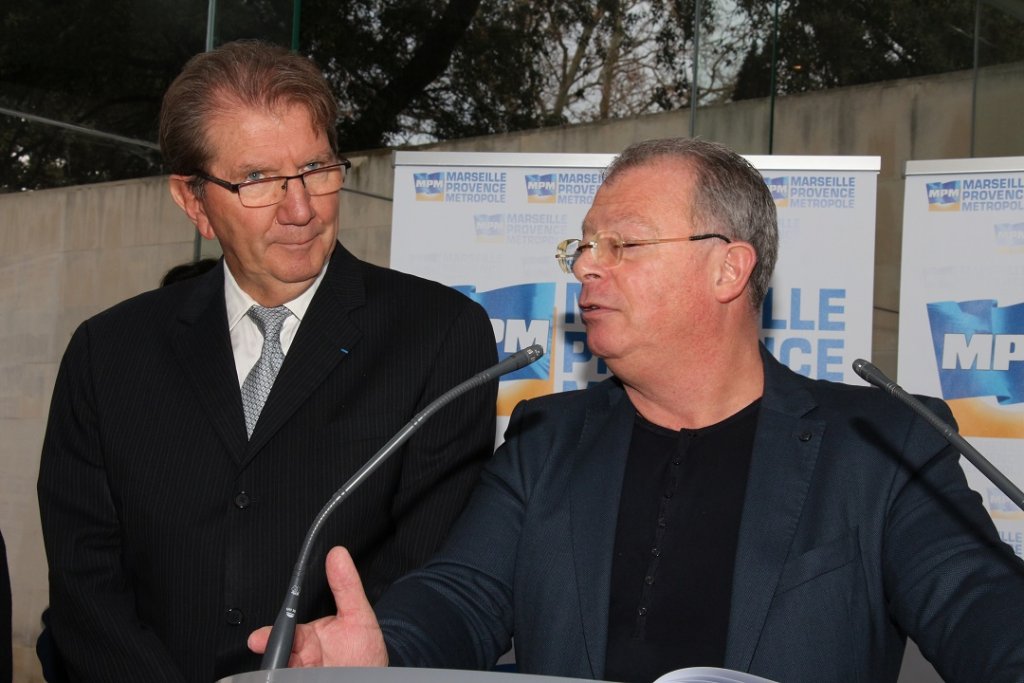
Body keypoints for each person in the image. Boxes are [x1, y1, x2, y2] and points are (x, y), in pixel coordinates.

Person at [249, 137, 1024, 682]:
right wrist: (384, 648)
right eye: (583, 247)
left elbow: (980, 608)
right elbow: (465, 595)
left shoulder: (879, 442)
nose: (586, 268)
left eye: (623, 245)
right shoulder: (549, 437)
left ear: (728, 268)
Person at [37, 40, 498, 682]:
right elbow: (85, 578)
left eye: (316, 168)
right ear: (194, 200)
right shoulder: (107, 353)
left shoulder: (440, 335)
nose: (300, 208)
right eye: (257, 179)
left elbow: (432, 564)